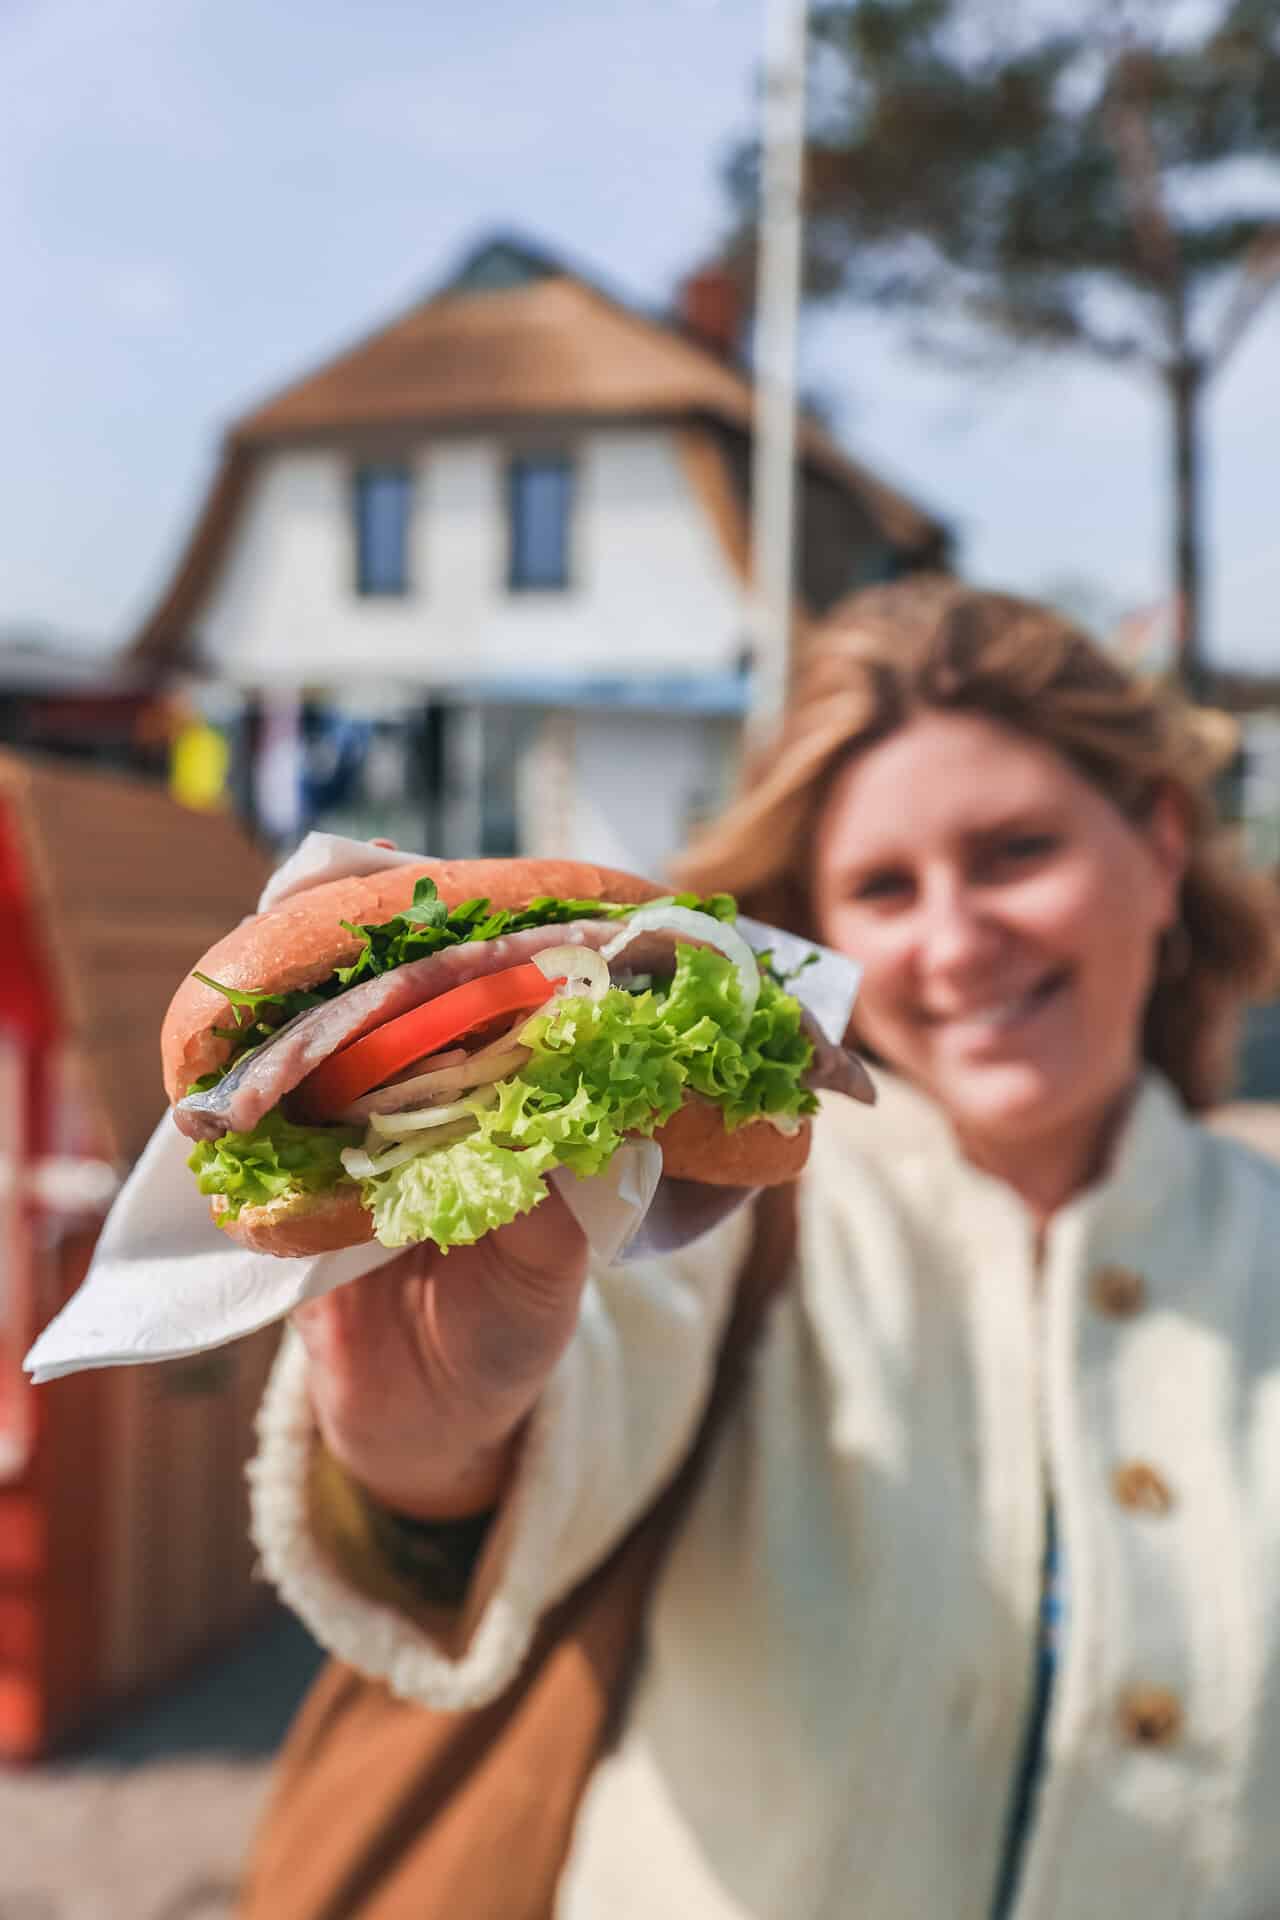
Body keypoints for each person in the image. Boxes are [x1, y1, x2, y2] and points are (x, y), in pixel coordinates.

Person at [244, 578, 1280, 1919]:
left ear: (1156, 845)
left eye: (1017, 851)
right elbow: (564, 1421)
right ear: (826, 928)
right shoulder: (711, 1208)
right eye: (885, 888)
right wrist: (422, 1440)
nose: (955, 941)